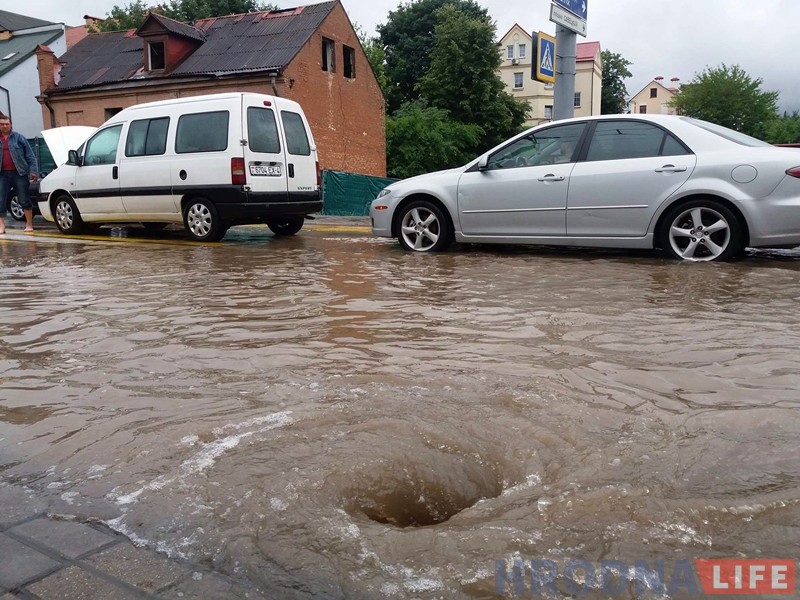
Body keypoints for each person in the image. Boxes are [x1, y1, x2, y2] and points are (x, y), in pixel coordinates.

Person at [0, 114, 38, 234]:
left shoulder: (19, 138)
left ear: (11, 125)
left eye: (7, 124)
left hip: (19, 173)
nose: (5, 126)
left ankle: (29, 224)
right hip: (2, 174)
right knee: (0, 200)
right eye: (2, 124)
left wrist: (33, 171)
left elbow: (30, 156)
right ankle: (1, 226)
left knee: (24, 199)